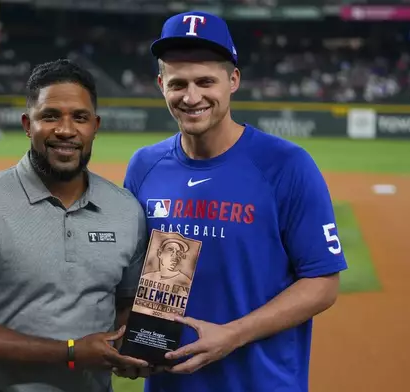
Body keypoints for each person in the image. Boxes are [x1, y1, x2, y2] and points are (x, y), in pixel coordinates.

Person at [118, 10, 349, 392]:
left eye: (205, 81)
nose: (191, 97)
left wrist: (232, 335)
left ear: (233, 80)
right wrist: (133, 339)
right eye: (178, 84)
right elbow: (142, 275)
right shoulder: (145, 166)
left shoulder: (286, 165)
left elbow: (323, 282)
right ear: (161, 84)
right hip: (171, 383)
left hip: (262, 382)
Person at [0, 59, 150, 392]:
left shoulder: (125, 210)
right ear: (27, 124)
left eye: (80, 117)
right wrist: (71, 353)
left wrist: (136, 347)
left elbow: (126, 306)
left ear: (96, 125)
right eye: (50, 116)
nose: (65, 130)